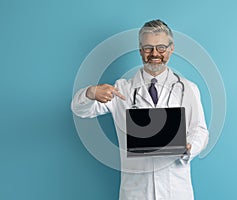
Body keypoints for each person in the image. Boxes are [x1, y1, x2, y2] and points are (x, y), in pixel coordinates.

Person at [71, 19, 209, 200]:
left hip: (175, 191)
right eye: (148, 48)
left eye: (161, 47)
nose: (154, 54)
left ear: (171, 48)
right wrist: (91, 92)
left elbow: (200, 131)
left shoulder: (188, 89)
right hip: (136, 193)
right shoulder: (122, 90)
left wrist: (190, 147)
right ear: (140, 49)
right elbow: (79, 110)